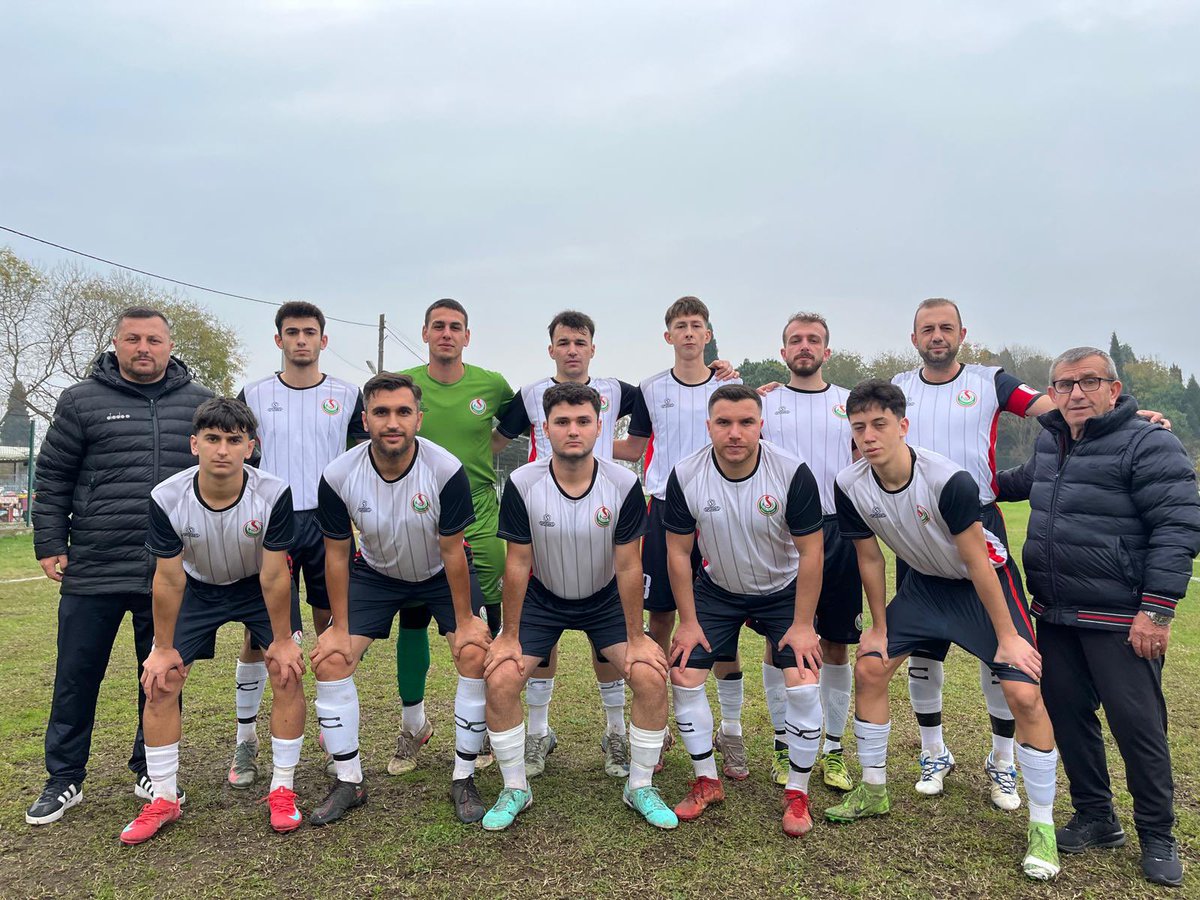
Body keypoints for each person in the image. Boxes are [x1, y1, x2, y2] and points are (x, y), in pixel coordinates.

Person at [825, 379, 1061, 882]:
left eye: (880, 425)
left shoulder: (948, 479)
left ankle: (1043, 827)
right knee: (870, 668)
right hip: (924, 588)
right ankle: (873, 789)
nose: (869, 436)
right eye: (859, 426)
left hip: (981, 585)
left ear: (903, 426)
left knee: (1022, 690)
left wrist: (1008, 636)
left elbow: (978, 563)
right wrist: (878, 626)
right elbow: (869, 556)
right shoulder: (848, 482)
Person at [997, 347, 1200, 888]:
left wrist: (1156, 610)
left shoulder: (1148, 442)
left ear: (1114, 386)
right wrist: (936, 476)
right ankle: (1096, 817)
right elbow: (1018, 482)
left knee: (1138, 728)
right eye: (1063, 385)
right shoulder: (1052, 439)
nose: (1075, 393)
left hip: (1120, 618)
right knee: (1069, 718)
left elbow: (1178, 527)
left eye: (1089, 382)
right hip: (1056, 613)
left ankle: (1158, 834)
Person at [27, 307, 213, 826]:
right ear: (116, 343)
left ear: (170, 346)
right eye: (132, 339)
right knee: (76, 677)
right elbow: (55, 476)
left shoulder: (200, 404)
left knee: (160, 678)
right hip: (95, 564)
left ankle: (151, 768)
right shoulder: (81, 400)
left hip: (171, 571)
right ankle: (64, 779)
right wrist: (49, 541)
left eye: (154, 339)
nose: (143, 348)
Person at [481, 383, 674, 831]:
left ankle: (640, 786)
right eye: (562, 422)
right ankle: (515, 788)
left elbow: (628, 566)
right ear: (545, 428)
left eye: (583, 421)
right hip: (543, 598)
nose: (573, 430)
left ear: (599, 426)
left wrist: (637, 637)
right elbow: (518, 563)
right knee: (502, 677)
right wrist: (508, 635)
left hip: (605, 599)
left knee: (648, 675)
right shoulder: (522, 483)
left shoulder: (624, 483)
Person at [309, 372, 493, 826]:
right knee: (331, 660)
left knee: (473, 652)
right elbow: (337, 555)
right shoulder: (337, 474)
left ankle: (464, 778)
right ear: (365, 419)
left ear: (418, 418)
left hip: (438, 572)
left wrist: (467, 619)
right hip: (376, 574)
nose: (393, 422)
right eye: (382, 412)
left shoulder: (446, 469)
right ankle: (348, 782)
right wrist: (337, 624)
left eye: (403, 412)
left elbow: (452, 549)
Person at [120, 398, 306, 844]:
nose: (222, 450)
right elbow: (167, 577)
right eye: (213, 439)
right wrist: (162, 648)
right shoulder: (166, 497)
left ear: (250, 447)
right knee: (161, 679)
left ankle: (283, 788)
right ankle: (163, 797)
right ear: (194, 444)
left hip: (255, 585)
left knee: (286, 671)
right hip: (198, 587)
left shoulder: (275, 492)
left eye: (234, 440)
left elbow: (275, 572)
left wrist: (281, 640)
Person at [665, 385, 825, 836]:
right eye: (724, 423)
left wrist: (802, 625)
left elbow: (812, 554)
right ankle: (706, 780)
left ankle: (797, 793)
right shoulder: (686, 473)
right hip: (718, 590)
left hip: (783, 591)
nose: (735, 433)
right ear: (709, 426)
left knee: (804, 685)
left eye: (746, 422)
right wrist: (689, 622)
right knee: (684, 674)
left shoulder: (792, 472)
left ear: (761, 424)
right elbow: (678, 554)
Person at [493, 310, 639, 778]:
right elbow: (494, 439)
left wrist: (725, 376)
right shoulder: (530, 393)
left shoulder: (621, 390)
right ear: (551, 348)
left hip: (600, 504)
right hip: (543, 515)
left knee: (606, 643)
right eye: (563, 342)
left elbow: (677, 397)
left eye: (580, 341)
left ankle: (616, 732)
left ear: (593, 347)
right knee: (541, 636)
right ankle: (538, 731)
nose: (572, 349)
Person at [232, 300, 368, 789]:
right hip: (274, 524)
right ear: (279, 340)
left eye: (310, 332)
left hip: (330, 524)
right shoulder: (253, 392)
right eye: (293, 332)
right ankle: (245, 739)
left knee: (331, 629)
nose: (302, 340)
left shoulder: (349, 395)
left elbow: (366, 454)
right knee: (263, 634)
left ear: (323, 341)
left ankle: (336, 741)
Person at [613, 296, 751, 778]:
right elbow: (634, 445)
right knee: (662, 616)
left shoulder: (730, 384)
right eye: (680, 326)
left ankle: (729, 730)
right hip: (665, 509)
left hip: (722, 508)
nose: (689, 333)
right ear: (667, 336)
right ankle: (660, 718)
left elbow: (753, 431)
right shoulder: (650, 389)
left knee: (719, 619)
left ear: (707, 334)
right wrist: (582, 446)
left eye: (696, 325)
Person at [390, 299, 515, 776]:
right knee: (414, 617)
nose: (446, 333)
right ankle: (413, 724)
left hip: (479, 508)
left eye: (455, 327)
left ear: (468, 335)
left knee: (486, 619)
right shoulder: (404, 384)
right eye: (438, 326)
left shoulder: (492, 385)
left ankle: (483, 727)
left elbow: (514, 424)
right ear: (424, 333)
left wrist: (485, 449)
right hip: (414, 509)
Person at [758, 312, 858, 792]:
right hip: (779, 531)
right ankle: (783, 742)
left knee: (836, 643)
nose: (804, 346)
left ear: (827, 351)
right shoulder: (766, 404)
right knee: (779, 639)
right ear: (783, 353)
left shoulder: (848, 403)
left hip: (838, 530)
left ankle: (834, 750)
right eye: (795, 340)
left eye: (813, 340)